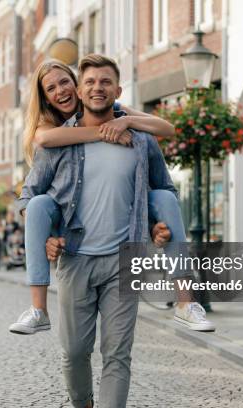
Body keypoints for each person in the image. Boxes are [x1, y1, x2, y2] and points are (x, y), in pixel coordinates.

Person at [17, 54, 205, 407]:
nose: (91, 88)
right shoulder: (58, 140)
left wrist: (156, 228)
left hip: (124, 261)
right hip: (75, 260)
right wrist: (46, 236)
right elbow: (31, 197)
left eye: (66, 83)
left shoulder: (139, 137)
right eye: (89, 82)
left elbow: (160, 190)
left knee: (118, 355)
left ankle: (186, 300)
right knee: (74, 353)